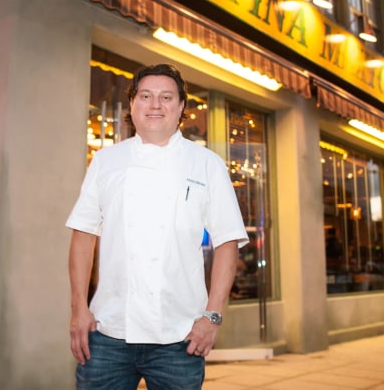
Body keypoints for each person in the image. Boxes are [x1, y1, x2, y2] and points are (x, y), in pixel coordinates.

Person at [66, 63, 249, 389]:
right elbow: (83, 235)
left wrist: (213, 316)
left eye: (166, 97)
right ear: (133, 104)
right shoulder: (106, 162)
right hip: (109, 332)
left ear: (180, 107)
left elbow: (227, 242)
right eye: (146, 96)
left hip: (180, 337)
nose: (155, 104)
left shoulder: (206, 164)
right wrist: (79, 308)